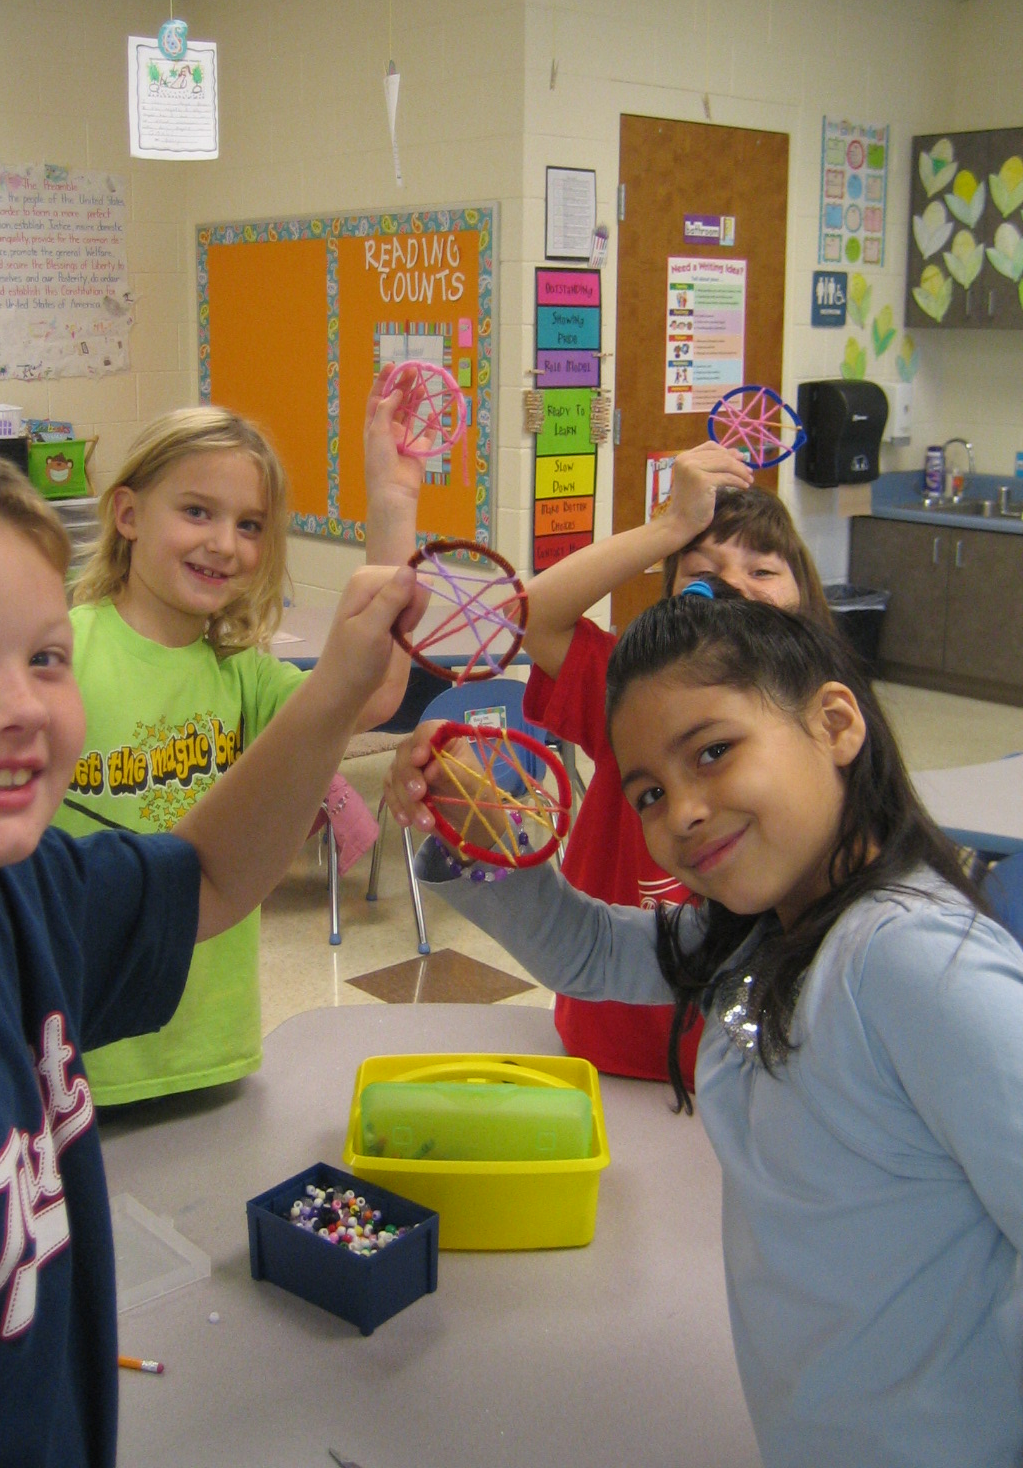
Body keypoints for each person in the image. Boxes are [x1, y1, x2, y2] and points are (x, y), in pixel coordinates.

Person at [0, 420, 421, 1466]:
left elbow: (211, 878)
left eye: (45, 656)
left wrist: (334, 687)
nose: (22, 704)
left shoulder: (9, 893)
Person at [392, 586, 1023, 1468]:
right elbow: (588, 950)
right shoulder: (764, 932)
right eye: (649, 792)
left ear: (836, 724)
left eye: (714, 752)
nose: (682, 812)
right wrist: (474, 825)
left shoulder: (912, 962)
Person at [56, 375, 424, 1104]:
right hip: (75, 1056)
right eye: (197, 511)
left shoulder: (240, 670)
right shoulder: (59, 652)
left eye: (250, 525)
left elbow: (374, 689)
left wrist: (391, 502)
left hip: (210, 1049)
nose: (225, 544)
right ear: (128, 514)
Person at [520, 440, 834, 1087]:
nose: (733, 587)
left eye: (763, 570)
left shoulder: (823, 721)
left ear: (804, 600)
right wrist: (668, 527)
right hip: (605, 1040)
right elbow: (534, 616)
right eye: (702, 571)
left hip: (744, 1070)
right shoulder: (631, 695)